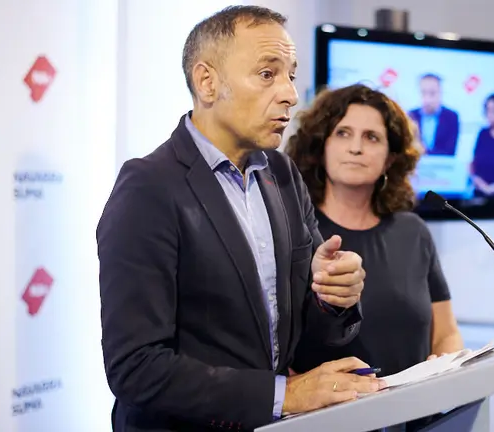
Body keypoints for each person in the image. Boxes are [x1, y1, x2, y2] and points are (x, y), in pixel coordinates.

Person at [96, 7, 384, 432]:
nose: (289, 94)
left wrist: (331, 296)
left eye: (291, 74)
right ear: (207, 82)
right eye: (268, 74)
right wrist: (285, 395)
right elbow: (135, 367)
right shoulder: (149, 187)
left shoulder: (282, 174)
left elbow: (307, 335)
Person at [285, 83, 464, 382]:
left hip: (417, 418)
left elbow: (446, 334)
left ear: (390, 159)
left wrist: (446, 365)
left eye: (371, 137)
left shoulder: (413, 232)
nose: (356, 147)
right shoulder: (290, 231)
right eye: (343, 133)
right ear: (321, 146)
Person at [407, 73, 460, 156]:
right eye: (423, 93)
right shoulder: (411, 115)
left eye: (432, 93)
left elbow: (450, 151)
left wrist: (425, 152)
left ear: (440, 93)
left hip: (442, 166)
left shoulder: (451, 117)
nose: (427, 99)